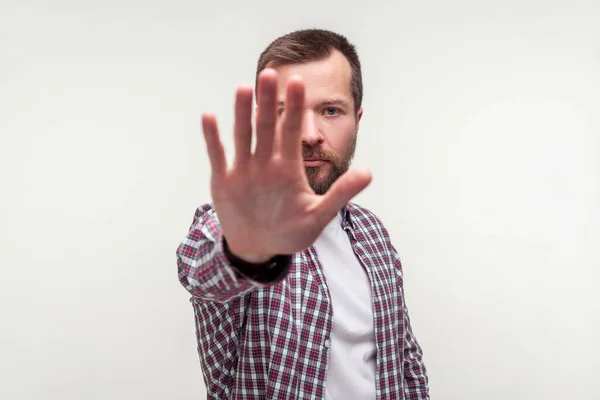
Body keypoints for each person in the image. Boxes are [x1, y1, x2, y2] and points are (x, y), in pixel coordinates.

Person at [176, 28, 429, 400]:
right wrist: (247, 252)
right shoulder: (234, 223)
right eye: (286, 112)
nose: (310, 134)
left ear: (357, 119)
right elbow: (201, 272)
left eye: (330, 110)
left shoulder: (373, 233)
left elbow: (402, 357)